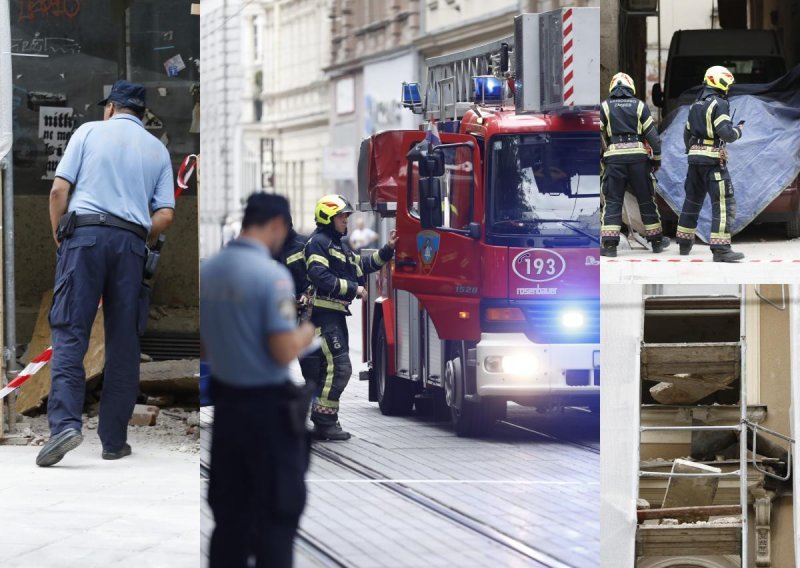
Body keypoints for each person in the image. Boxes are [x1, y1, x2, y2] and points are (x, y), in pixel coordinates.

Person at [37, 80, 175, 467]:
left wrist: (59, 237)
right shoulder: (158, 150)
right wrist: (132, 231)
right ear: (141, 112)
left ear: (112, 107)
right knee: (124, 342)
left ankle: (64, 425)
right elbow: (165, 214)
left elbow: (58, 191)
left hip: (84, 238)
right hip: (131, 245)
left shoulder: (88, 132)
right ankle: (114, 441)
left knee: (70, 331)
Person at [201, 193, 316, 567]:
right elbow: (282, 349)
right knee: (275, 520)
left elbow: (203, 347)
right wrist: (306, 334)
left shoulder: (209, 271)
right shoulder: (273, 277)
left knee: (229, 521)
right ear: (278, 225)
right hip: (267, 415)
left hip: (227, 413)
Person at [303, 194, 397, 440]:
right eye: (342, 216)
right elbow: (319, 275)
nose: (346, 220)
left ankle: (325, 420)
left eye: (346, 216)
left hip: (335, 317)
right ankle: (324, 420)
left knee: (332, 369)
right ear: (328, 217)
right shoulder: (318, 243)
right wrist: (353, 288)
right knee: (340, 368)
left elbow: (363, 264)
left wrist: (388, 250)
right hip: (322, 318)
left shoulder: (338, 245)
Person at [676, 65, 745, 262]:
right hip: (713, 161)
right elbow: (726, 133)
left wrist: (692, 151)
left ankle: (683, 243)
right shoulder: (719, 103)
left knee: (692, 200)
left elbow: (687, 133)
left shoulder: (695, 104)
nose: (728, 89)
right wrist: (738, 130)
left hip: (694, 160)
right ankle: (721, 249)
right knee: (723, 203)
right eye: (727, 84)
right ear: (721, 82)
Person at [599, 72, 670, 258]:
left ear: (612, 88)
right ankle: (656, 241)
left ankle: (609, 244)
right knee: (646, 199)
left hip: (614, 159)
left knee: (613, 201)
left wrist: (601, 156)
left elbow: (596, 135)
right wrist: (657, 160)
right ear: (631, 88)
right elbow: (653, 138)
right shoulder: (639, 106)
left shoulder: (604, 107)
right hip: (639, 160)